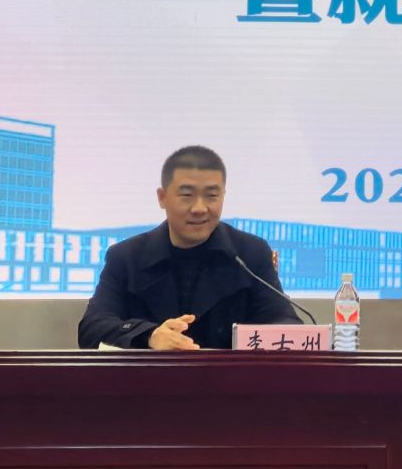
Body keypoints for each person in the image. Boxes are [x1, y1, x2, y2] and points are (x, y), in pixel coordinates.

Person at [77, 146, 294, 351]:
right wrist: (149, 335)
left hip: (229, 377)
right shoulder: (126, 257)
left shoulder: (250, 253)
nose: (199, 208)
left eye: (211, 196)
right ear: (162, 198)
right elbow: (92, 327)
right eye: (187, 195)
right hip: (152, 377)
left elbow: (285, 322)